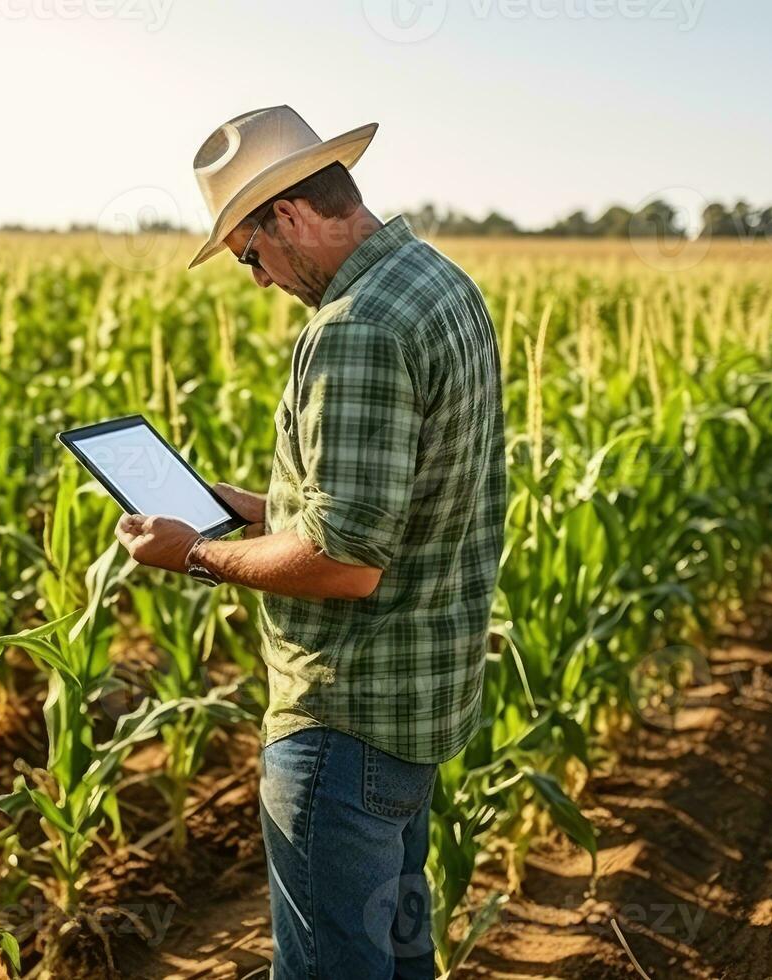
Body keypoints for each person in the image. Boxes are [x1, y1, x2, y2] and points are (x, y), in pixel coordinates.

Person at [115, 105, 506, 979]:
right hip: (416, 708)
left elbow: (346, 563)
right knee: (400, 962)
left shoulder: (354, 328)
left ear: (288, 216)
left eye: (250, 254)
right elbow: (398, 503)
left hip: (344, 721)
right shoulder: (438, 281)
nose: (257, 279)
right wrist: (256, 506)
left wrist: (194, 552)